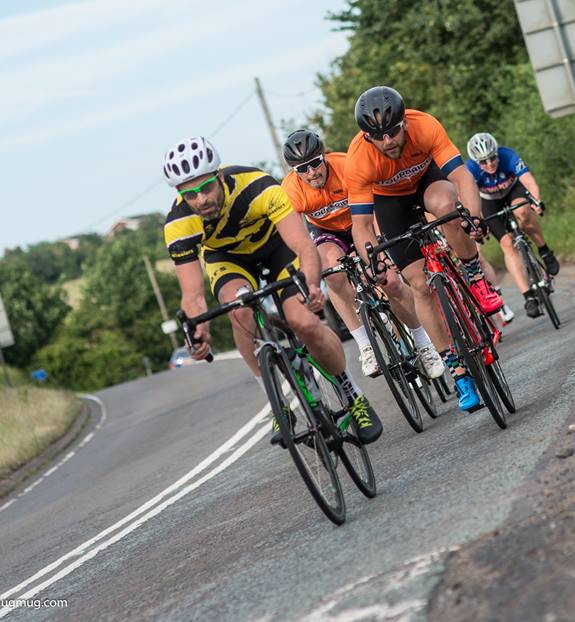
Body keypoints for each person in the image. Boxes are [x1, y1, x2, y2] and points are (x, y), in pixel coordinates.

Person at [161, 136, 381, 444]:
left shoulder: (257, 186)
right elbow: (193, 295)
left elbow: (303, 245)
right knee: (239, 312)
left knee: (303, 322)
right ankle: (277, 403)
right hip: (228, 260)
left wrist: (311, 285)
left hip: (277, 247)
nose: (200, 200)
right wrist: (199, 333)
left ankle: (352, 395)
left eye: (206, 188)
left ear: (220, 177)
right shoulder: (178, 224)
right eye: (189, 194)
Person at [344, 86, 503, 412]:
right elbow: (360, 226)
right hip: (391, 204)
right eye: (378, 137)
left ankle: (476, 278)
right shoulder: (358, 158)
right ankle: (457, 371)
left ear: (404, 123)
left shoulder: (425, 125)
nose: (388, 141)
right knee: (419, 285)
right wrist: (373, 262)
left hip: (428, 181)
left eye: (393, 131)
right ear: (366, 137)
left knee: (446, 207)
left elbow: (463, 178)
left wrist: (474, 218)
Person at [280, 129, 446, 380]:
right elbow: (296, 237)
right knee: (332, 274)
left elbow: (375, 207)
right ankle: (365, 345)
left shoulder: (345, 165)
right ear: (294, 171)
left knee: (390, 281)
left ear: (325, 157)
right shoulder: (291, 189)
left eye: (315, 163)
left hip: (363, 220)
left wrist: (380, 246)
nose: (311, 172)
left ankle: (424, 343)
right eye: (302, 168)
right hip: (328, 233)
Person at [465, 132, 559, 318]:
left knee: (523, 212)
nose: (489, 164)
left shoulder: (508, 155)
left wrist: (536, 201)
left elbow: (529, 181)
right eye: (483, 162)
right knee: (507, 244)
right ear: (476, 162)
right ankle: (528, 297)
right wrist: (477, 222)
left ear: (497, 153)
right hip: (489, 201)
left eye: (492, 158)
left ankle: (544, 250)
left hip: (512, 191)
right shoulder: (470, 169)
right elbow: (471, 199)